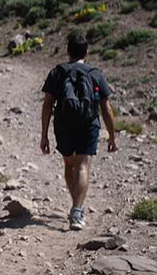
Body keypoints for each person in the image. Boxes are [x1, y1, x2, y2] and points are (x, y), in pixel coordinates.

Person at [40, 31, 118, 230]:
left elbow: (47, 105)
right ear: (87, 52)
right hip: (88, 124)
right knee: (83, 166)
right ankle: (77, 210)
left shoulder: (58, 72)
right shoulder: (95, 73)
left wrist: (44, 135)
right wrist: (111, 136)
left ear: (68, 51)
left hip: (63, 125)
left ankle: (75, 205)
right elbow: (106, 108)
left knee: (69, 165)